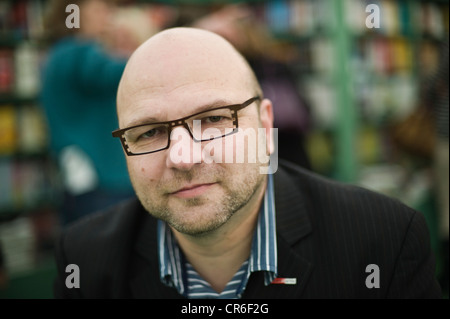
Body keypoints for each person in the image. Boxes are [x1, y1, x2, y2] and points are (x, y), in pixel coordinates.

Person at [53, 27, 442, 299]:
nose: (184, 158)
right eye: (149, 132)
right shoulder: (86, 260)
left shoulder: (383, 242)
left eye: (215, 119)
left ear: (266, 123)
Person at [41, 0, 136, 225]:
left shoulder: (58, 54)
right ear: (73, 13)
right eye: (100, 9)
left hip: (80, 175)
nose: (108, 16)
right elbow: (119, 72)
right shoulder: (79, 51)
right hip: (104, 179)